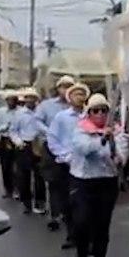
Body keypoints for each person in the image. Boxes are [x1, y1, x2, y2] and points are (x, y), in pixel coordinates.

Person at [68, 93, 127, 257]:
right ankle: (81, 253)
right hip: (83, 182)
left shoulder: (117, 132)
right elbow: (85, 150)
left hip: (106, 182)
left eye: (104, 110)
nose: (100, 114)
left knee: (102, 225)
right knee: (82, 221)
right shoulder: (80, 130)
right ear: (89, 113)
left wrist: (112, 143)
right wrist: (101, 139)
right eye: (96, 110)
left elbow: (121, 157)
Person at [46, 83, 90, 247]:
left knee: (86, 203)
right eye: (75, 94)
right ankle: (71, 235)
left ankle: (87, 238)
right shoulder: (61, 117)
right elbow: (53, 139)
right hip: (66, 165)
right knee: (67, 202)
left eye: (82, 94)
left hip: (86, 165)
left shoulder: (90, 116)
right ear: (69, 98)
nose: (79, 97)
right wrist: (65, 155)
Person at [37, 76, 76, 215]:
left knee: (71, 182)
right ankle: (54, 214)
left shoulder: (78, 107)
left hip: (72, 149)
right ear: (58, 88)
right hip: (52, 148)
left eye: (69, 86)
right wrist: (50, 132)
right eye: (63, 86)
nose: (66, 89)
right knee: (54, 182)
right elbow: (37, 122)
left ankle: (67, 212)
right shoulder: (46, 105)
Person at [10, 88, 46, 215]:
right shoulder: (19, 114)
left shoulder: (41, 112)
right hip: (25, 145)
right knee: (23, 176)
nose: (30, 100)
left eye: (33, 97)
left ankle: (40, 203)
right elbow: (13, 131)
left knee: (40, 176)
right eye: (28, 97)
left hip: (39, 144)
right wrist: (18, 142)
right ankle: (26, 203)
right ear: (24, 100)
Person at [0, 92, 21, 199]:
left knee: (17, 167)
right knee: (5, 166)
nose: (11, 102)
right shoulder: (1, 112)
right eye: (9, 100)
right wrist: (4, 127)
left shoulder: (20, 112)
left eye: (13, 99)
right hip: (4, 140)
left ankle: (18, 189)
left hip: (17, 140)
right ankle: (8, 189)